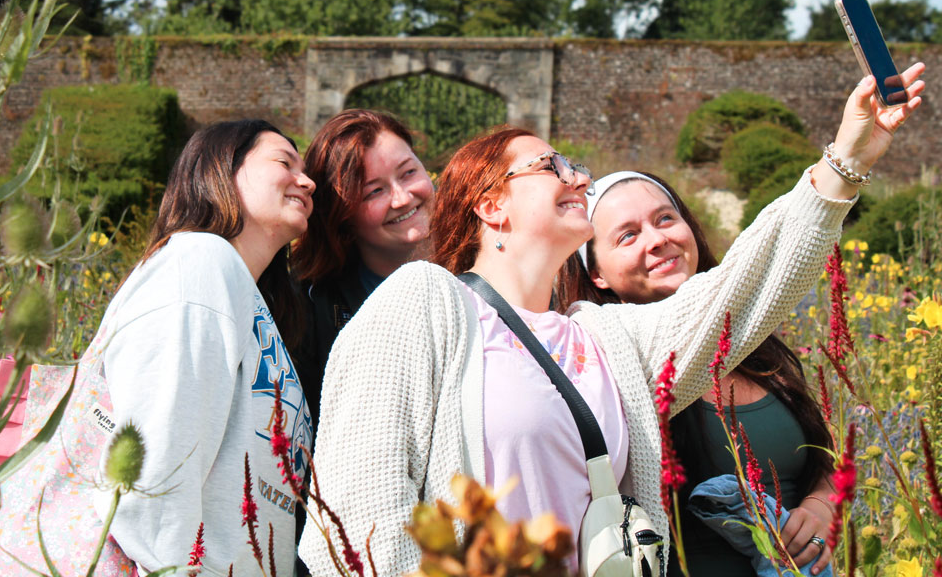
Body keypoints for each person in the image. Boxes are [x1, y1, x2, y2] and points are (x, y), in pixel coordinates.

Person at [298, 68, 924, 577]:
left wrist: (845, 160)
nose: (578, 176)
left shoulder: (603, 336)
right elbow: (357, 514)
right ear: (493, 207)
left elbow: (740, 293)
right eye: (551, 166)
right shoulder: (425, 302)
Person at [0, 120, 316, 576]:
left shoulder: (247, 299)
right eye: (284, 162)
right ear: (220, 170)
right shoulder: (200, 262)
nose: (307, 180)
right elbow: (156, 459)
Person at [561, 170, 835, 576]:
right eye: (628, 236)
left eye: (665, 218)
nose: (657, 240)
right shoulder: (610, 372)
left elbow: (821, 460)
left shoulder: (754, 346)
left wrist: (821, 507)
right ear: (597, 274)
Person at [291, 109, 433, 431]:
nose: (403, 198)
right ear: (341, 216)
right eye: (374, 191)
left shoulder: (480, 270)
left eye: (408, 172)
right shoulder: (311, 308)